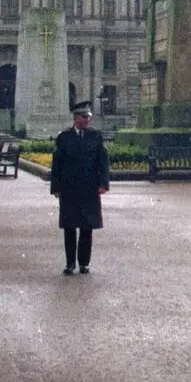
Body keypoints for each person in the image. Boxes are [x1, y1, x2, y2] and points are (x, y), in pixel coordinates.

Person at [50, 101, 110, 275]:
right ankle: (70, 264)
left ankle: (84, 262)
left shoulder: (96, 136)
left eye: (89, 117)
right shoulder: (64, 138)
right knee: (69, 227)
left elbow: (103, 162)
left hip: (89, 188)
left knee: (87, 227)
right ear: (76, 118)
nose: (88, 120)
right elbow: (57, 165)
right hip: (69, 188)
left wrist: (103, 184)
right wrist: (56, 187)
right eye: (85, 117)